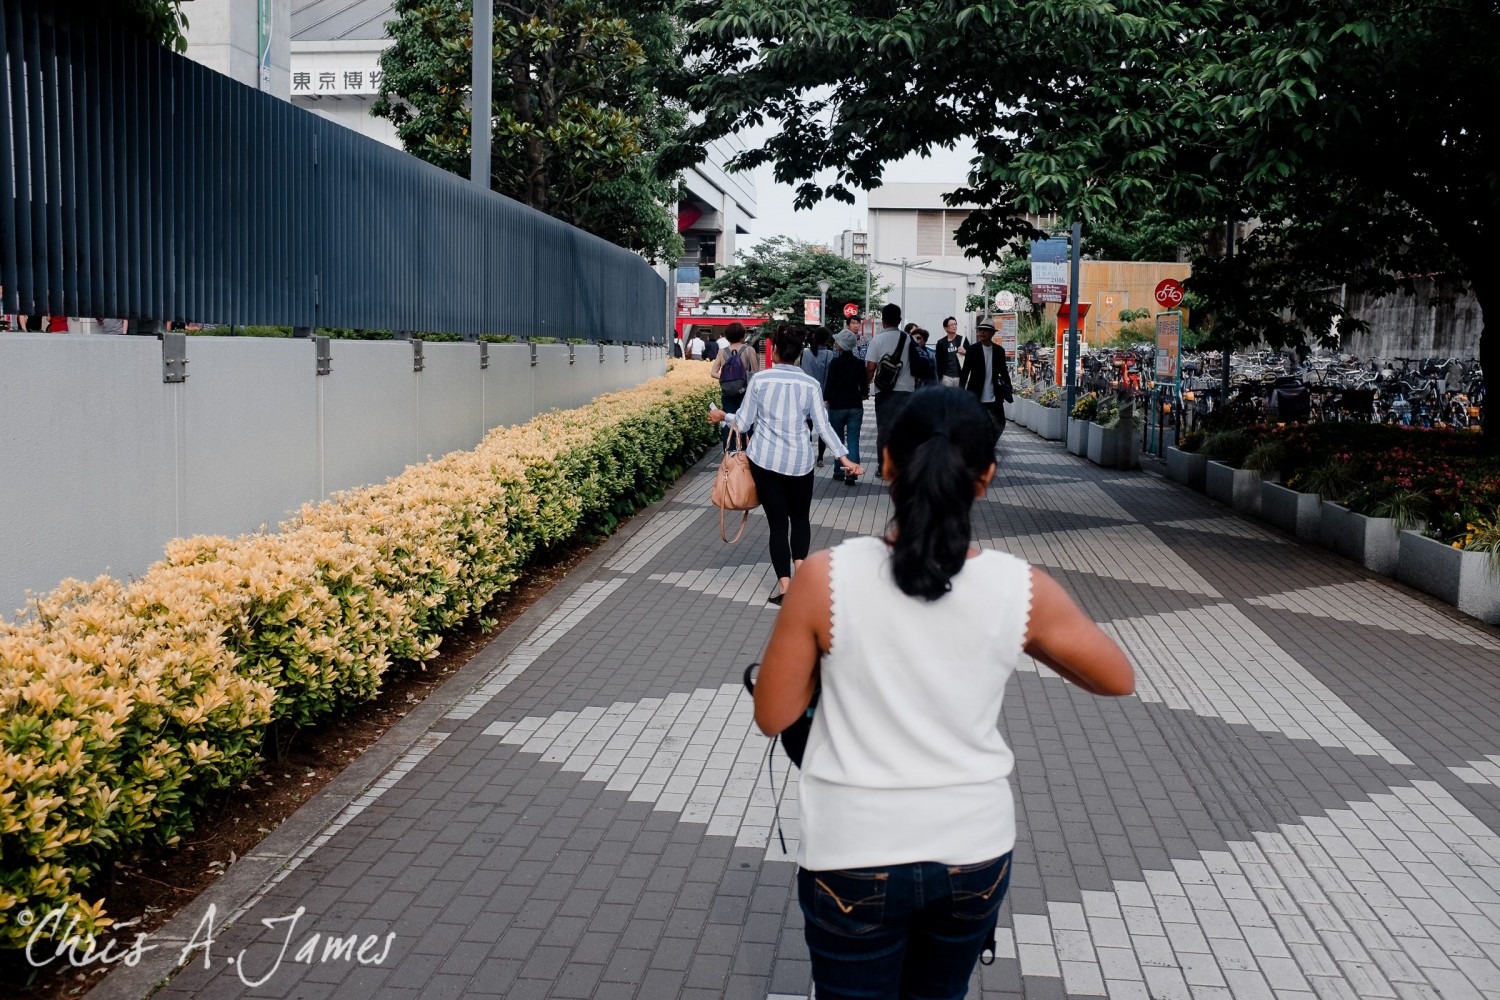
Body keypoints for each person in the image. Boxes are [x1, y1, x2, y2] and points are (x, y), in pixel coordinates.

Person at [752, 387, 1135, 999]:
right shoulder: (1019, 588)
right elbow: (1118, 677)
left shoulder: (825, 576)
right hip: (973, 849)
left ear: (885, 466)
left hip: (853, 846)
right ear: (985, 479)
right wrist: (1016, 636)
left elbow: (773, 716)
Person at [709, 327, 863, 604]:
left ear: (775, 351)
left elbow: (743, 424)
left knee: (778, 524)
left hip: (765, 462)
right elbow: (822, 427)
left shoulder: (760, 380)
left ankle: (784, 587)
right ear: (797, 356)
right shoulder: (810, 385)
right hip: (801, 462)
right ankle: (802, 579)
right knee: (800, 519)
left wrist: (722, 416)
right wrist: (845, 457)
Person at [865, 303, 918, 479]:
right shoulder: (909, 339)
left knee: (885, 430)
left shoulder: (877, 340)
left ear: (883, 320)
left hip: (885, 392)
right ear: (900, 320)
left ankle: (883, 467)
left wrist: (866, 385)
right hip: (907, 391)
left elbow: (871, 367)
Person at [824, 330, 866, 486]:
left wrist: (826, 399)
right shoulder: (859, 363)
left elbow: (829, 384)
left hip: (837, 405)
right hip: (855, 404)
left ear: (841, 345)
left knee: (838, 440)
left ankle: (839, 470)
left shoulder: (835, 363)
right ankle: (852, 472)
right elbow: (863, 386)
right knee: (853, 439)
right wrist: (863, 394)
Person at [960, 318, 1014, 438]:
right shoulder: (972, 350)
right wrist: (961, 391)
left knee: (1000, 423)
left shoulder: (999, 351)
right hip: (975, 394)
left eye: (986, 330)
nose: (982, 332)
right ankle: (979, 447)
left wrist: (1009, 387)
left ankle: (990, 444)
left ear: (992, 333)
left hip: (994, 395)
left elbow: (1004, 371)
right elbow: (965, 371)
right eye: (980, 330)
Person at [710, 321, 760, 444]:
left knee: (728, 420)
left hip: (727, 393)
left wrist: (727, 377)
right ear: (742, 336)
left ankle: (730, 453)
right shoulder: (749, 350)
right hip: (746, 394)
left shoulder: (722, 352)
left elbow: (713, 372)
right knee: (746, 421)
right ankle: (746, 453)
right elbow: (755, 373)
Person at [800, 328, 834, 468]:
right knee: (822, 428)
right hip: (822, 395)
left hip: (805, 395)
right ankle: (820, 457)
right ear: (826, 339)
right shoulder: (829, 354)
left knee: (807, 426)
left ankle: (807, 454)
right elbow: (829, 377)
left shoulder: (805, 353)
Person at [934, 316, 967, 388]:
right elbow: (938, 361)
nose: (954, 326)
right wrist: (939, 377)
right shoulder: (941, 343)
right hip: (946, 376)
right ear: (945, 328)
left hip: (960, 375)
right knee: (947, 397)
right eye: (951, 325)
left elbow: (972, 355)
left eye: (955, 324)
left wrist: (965, 352)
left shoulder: (962, 339)